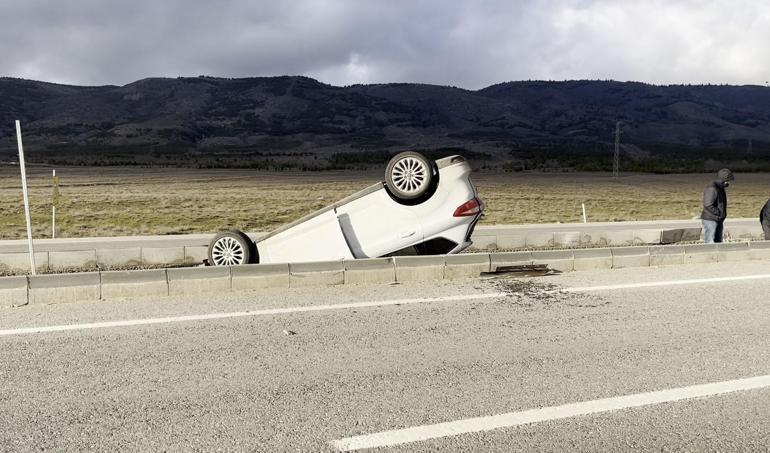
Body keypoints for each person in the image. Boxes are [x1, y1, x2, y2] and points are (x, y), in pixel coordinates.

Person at [700, 168, 734, 243]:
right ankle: (709, 254)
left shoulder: (720, 187)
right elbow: (708, 205)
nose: (729, 183)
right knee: (710, 242)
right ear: (724, 180)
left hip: (717, 219)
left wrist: (721, 215)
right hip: (711, 219)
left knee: (718, 242)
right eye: (728, 181)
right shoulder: (712, 188)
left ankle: (717, 254)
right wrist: (719, 213)